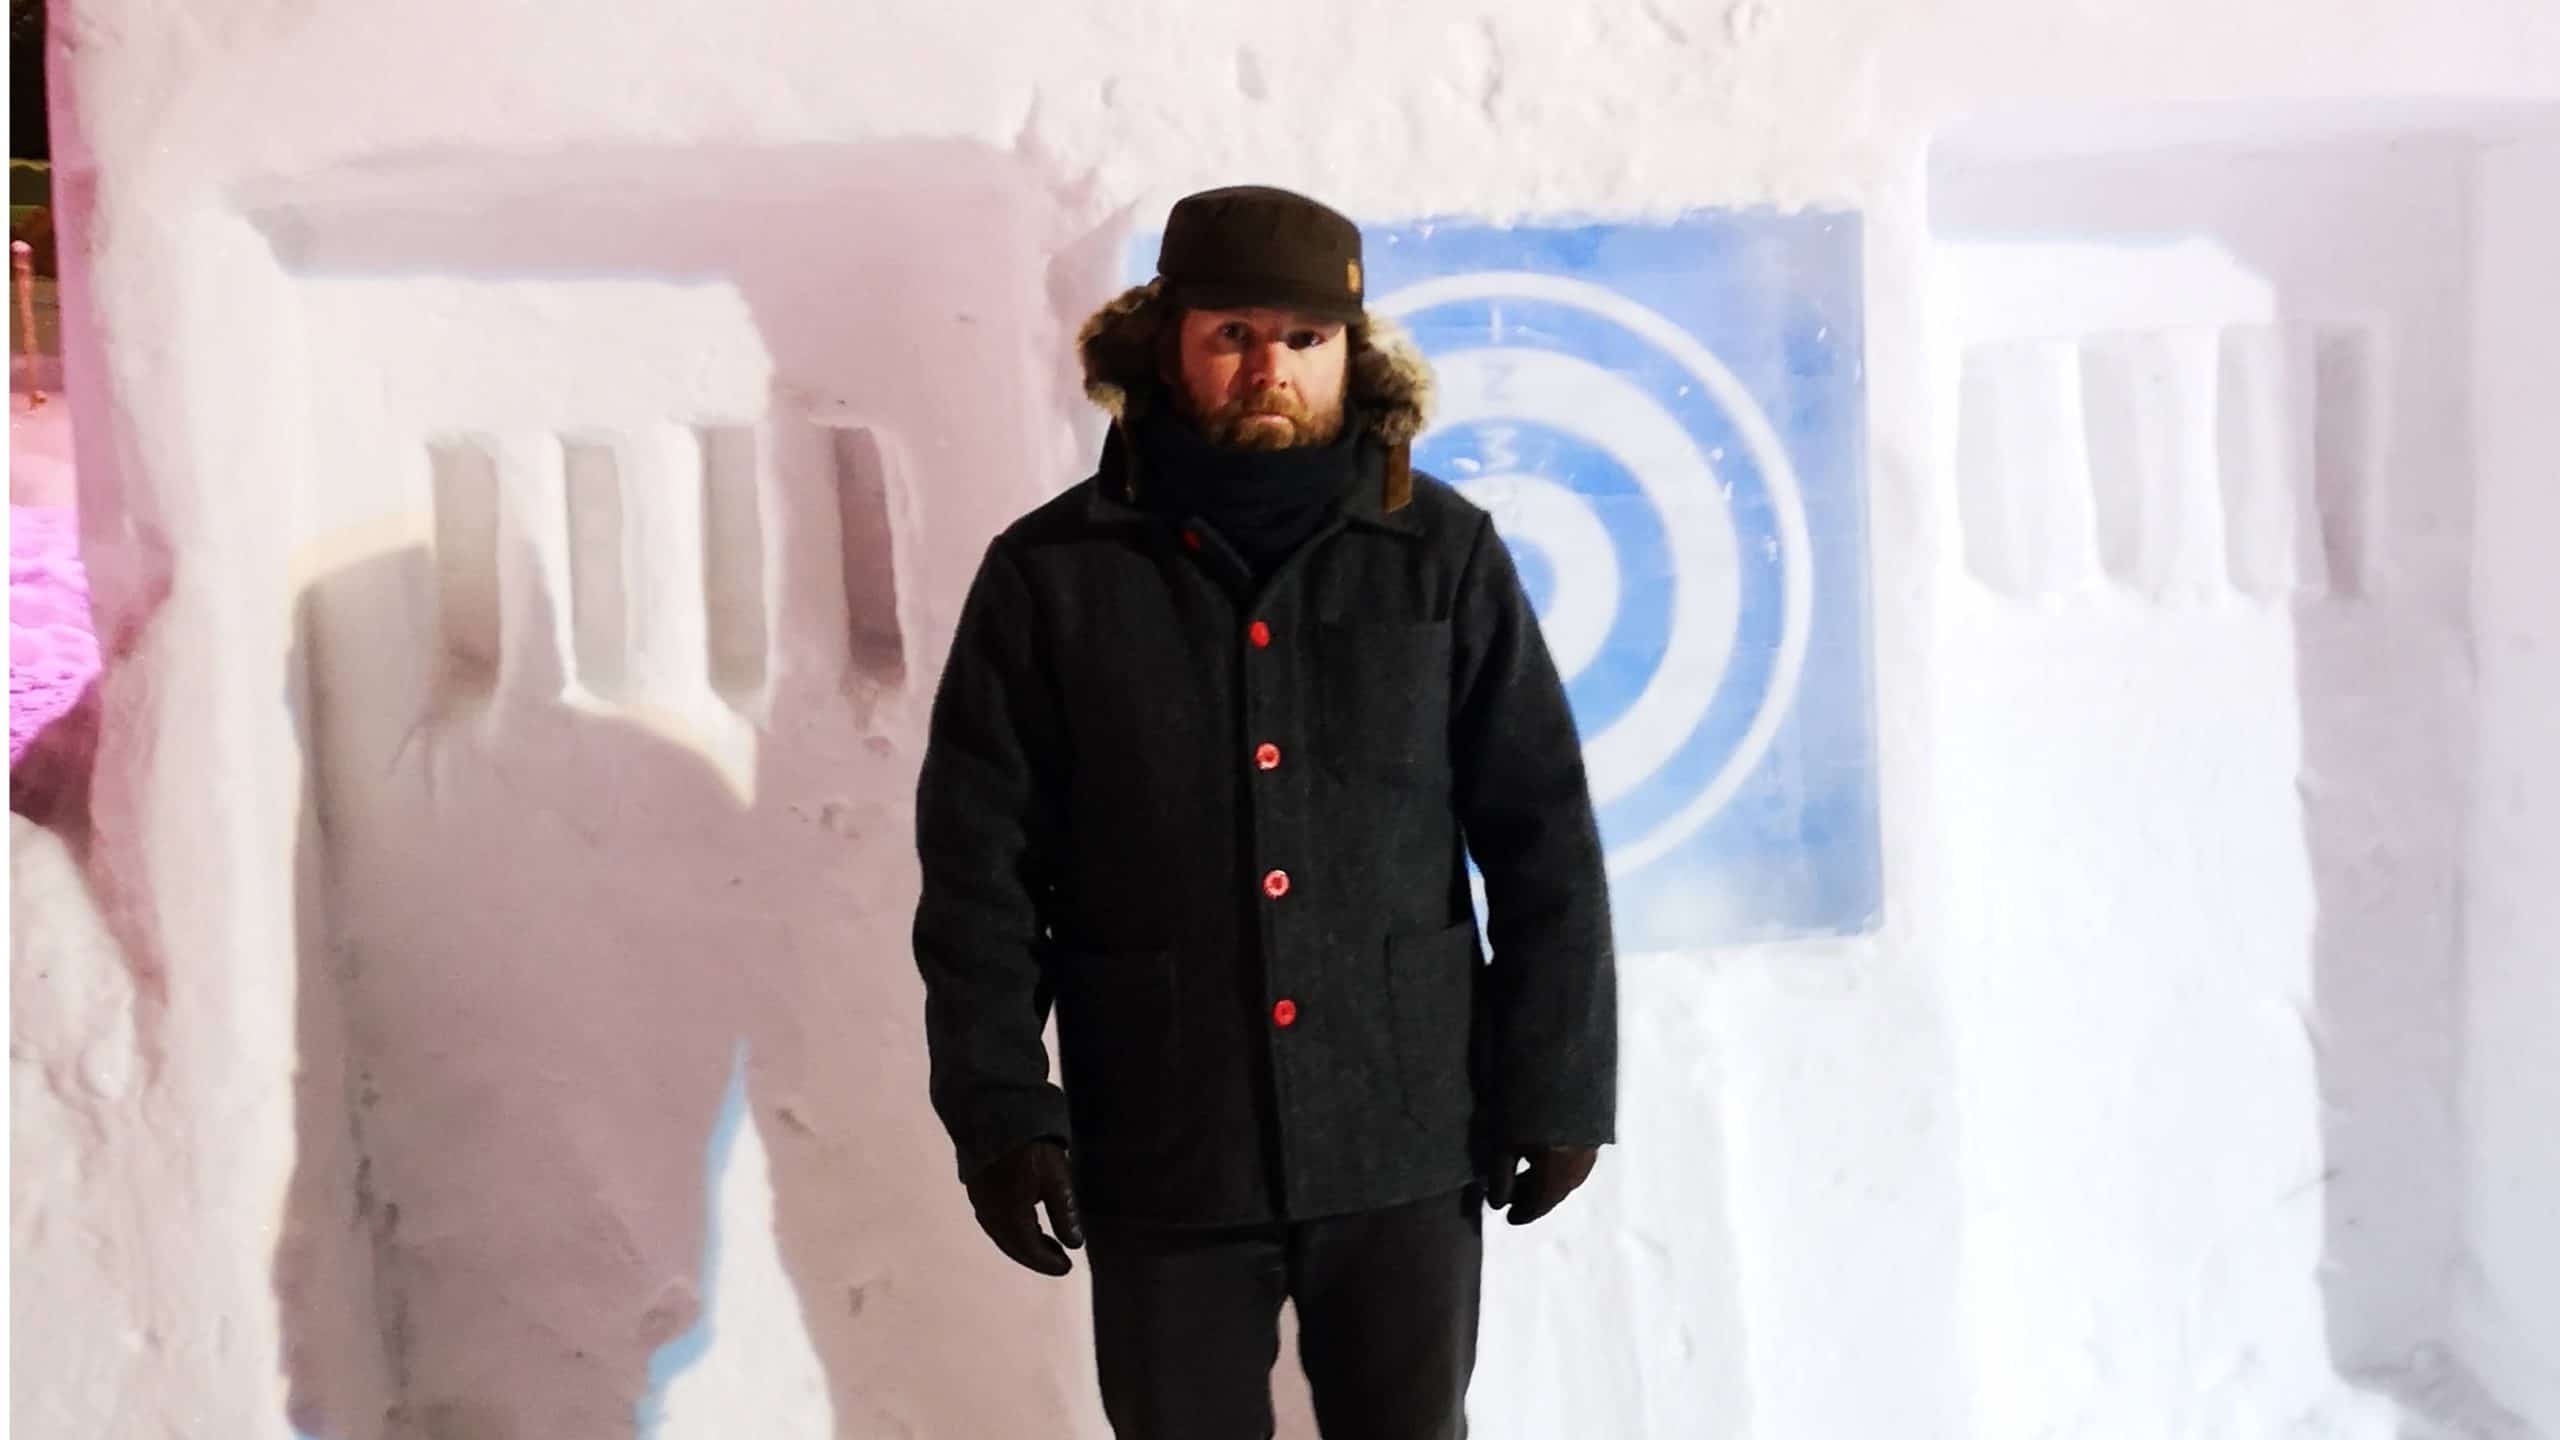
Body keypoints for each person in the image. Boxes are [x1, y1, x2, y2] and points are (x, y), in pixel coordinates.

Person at [913, 183, 1617, 1439]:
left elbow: (1541, 835)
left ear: (1350, 352)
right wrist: (1001, 1109)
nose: (1267, 367)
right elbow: (980, 871)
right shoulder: (1051, 576)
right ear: (1166, 342)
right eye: (1231, 334)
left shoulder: (1443, 557)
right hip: (1163, 1137)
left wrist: (1556, 1082)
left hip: (1404, 1130)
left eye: (1302, 338)